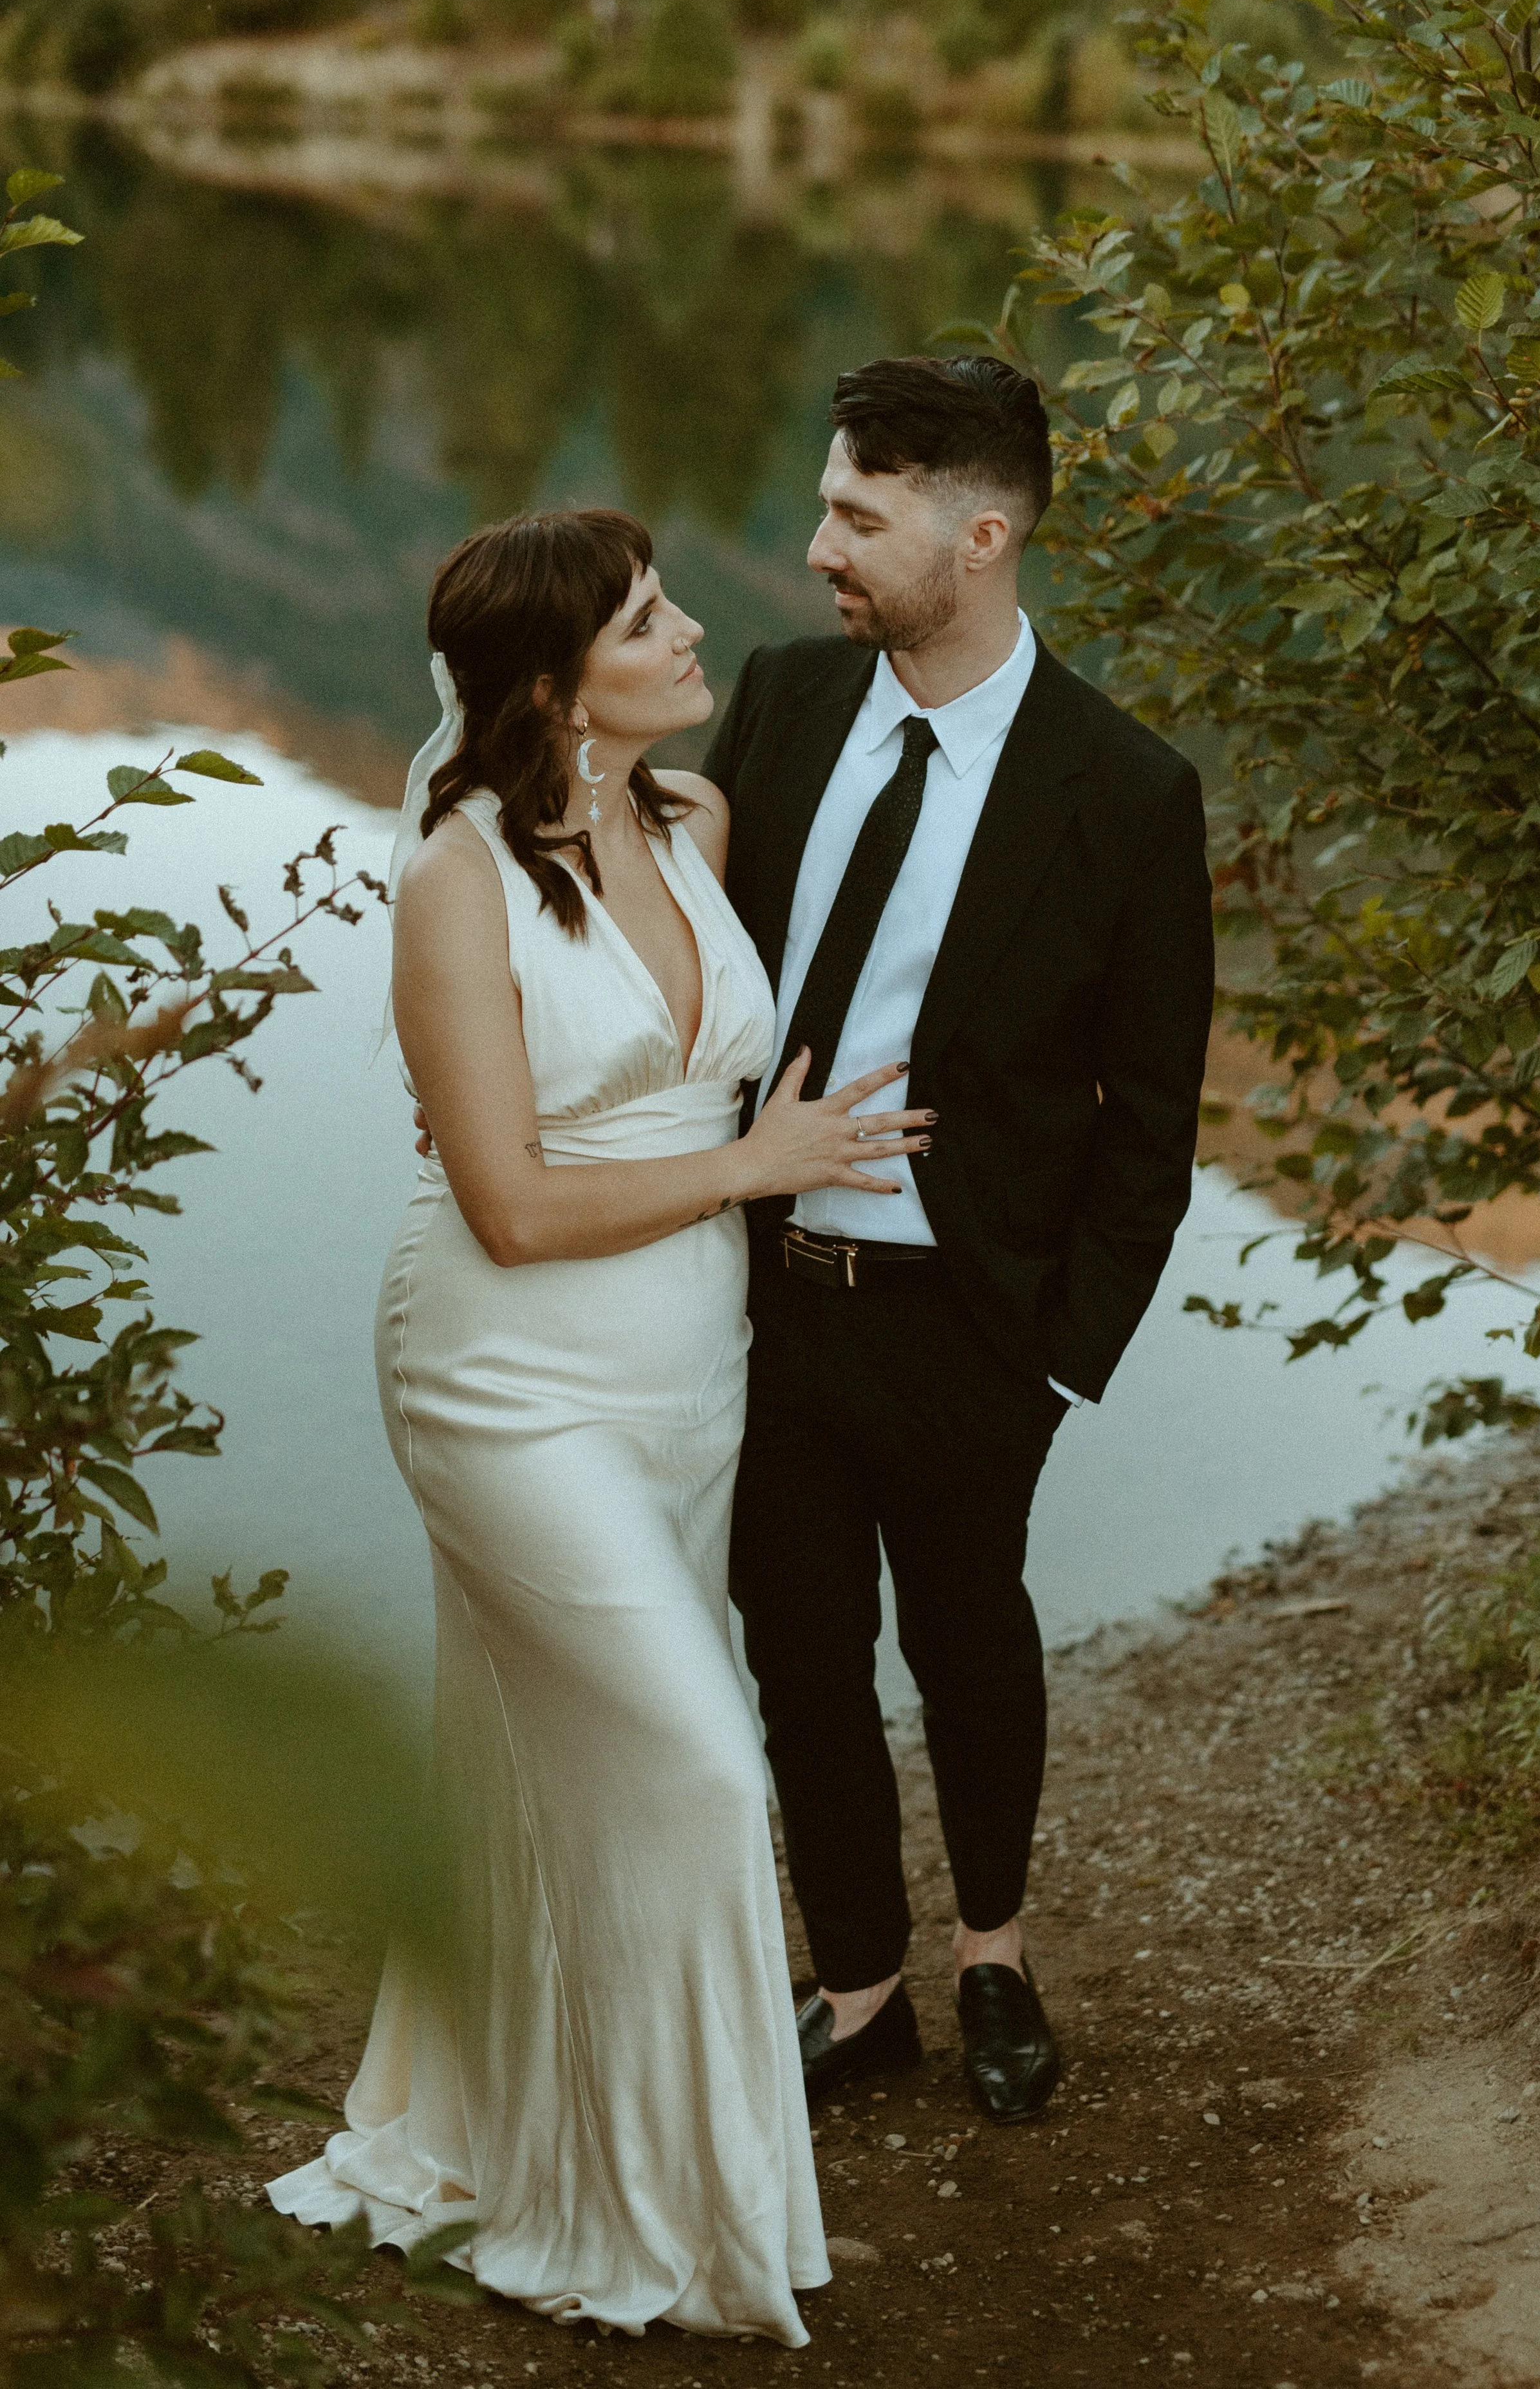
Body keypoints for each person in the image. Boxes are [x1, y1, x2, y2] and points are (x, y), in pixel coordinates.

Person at [267, 509, 934, 2344]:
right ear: (557, 681)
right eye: (650, 618)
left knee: (545, 1757)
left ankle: (521, 2131)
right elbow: (509, 1203)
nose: (694, 627)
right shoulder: (454, 882)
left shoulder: (690, 825)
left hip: (682, 1374)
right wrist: (761, 1160)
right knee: (705, 1766)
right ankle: (678, 2219)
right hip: (504, 1373)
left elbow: (727, 1064)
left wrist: (816, 1140)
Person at [703, 355, 1215, 2124]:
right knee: (797, 1651)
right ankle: (860, 1992)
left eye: (858, 515)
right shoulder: (774, 704)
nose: (818, 543)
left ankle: (991, 1953)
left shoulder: (1125, 793)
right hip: (760, 1293)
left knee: (969, 1639)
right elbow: (677, 970)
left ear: (979, 533)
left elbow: (1150, 1122)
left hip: (967, 1318)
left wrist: (1060, 1353)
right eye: (829, 500)